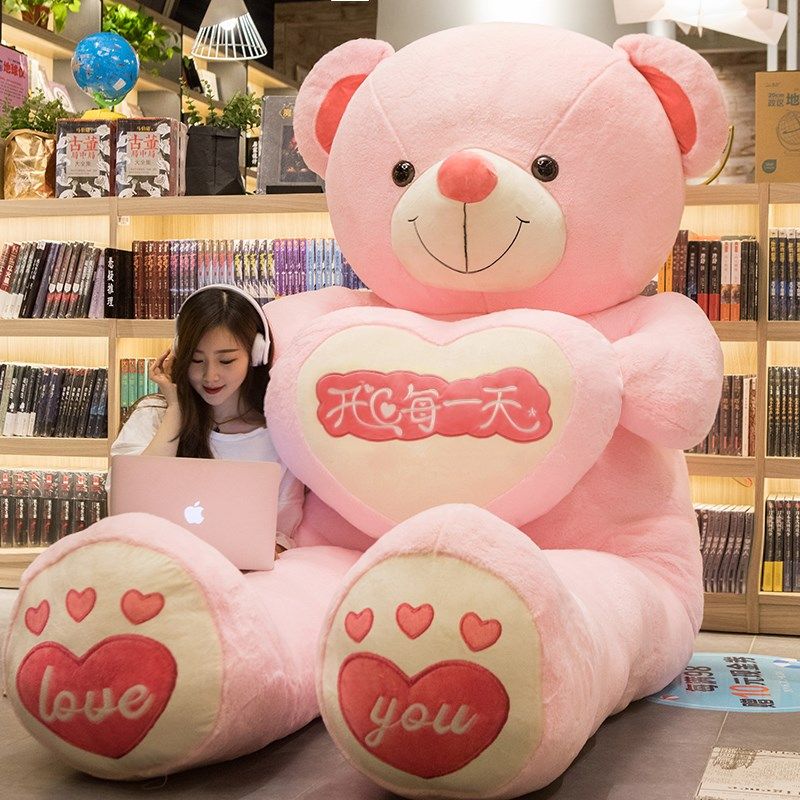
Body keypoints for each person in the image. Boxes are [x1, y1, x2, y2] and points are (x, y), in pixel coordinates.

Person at [110, 284, 303, 552]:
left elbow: (282, 532)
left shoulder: (278, 435)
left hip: (241, 577)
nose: (210, 376)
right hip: (156, 565)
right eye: (197, 360)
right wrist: (176, 408)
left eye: (226, 361)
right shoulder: (154, 415)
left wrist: (268, 550)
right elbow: (129, 500)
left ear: (256, 354)